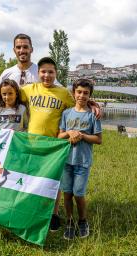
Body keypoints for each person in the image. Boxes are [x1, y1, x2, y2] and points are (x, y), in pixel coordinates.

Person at [20, 57, 100, 232]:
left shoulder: (63, 92)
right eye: (43, 72)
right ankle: (34, 211)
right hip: (33, 143)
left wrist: (94, 105)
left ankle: (54, 214)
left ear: (56, 74)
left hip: (55, 144)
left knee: (53, 182)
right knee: (33, 179)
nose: (47, 75)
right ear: (38, 73)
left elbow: (79, 106)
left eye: (51, 72)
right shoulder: (29, 89)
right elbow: (6, 90)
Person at [58, 79, 102, 240]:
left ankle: (83, 220)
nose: (82, 96)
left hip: (82, 161)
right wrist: (70, 133)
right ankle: (69, 221)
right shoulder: (66, 113)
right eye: (79, 92)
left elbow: (98, 139)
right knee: (67, 193)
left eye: (86, 93)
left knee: (78, 193)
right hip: (66, 161)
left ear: (90, 95)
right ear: (73, 93)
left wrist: (82, 135)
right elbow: (59, 135)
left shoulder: (93, 115)